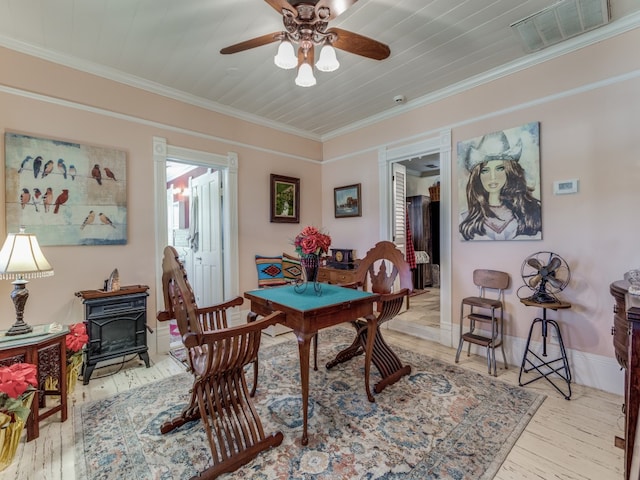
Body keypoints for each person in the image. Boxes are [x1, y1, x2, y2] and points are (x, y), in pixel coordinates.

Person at [459, 130, 541, 241]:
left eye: (499, 168)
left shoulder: (531, 210)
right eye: (485, 171)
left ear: (509, 172)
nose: (492, 177)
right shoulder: (465, 218)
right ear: (478, 176)